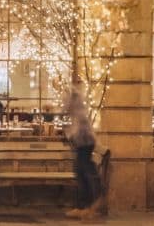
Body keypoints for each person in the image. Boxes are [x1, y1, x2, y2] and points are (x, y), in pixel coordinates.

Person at [62, 85, 100, 218]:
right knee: (81, 172)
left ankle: (89, 205)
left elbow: (80, 129)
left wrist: (70, 136)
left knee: (83, 173)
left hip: (85, 144)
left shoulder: (78, 111)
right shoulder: (78, 111)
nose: (65, 105)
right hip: (85, 144)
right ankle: (84, 206)